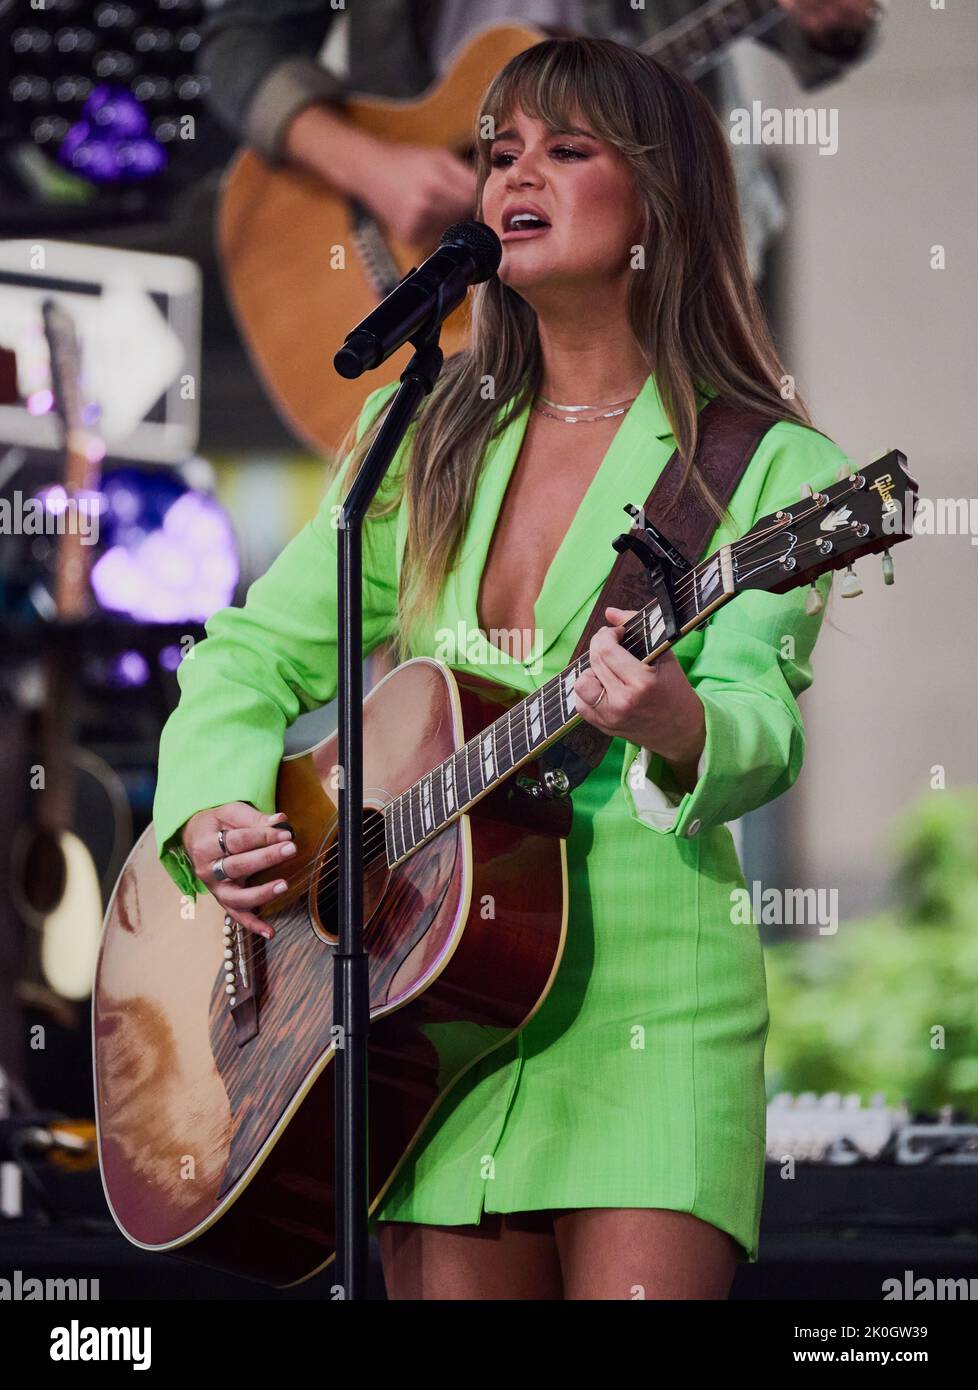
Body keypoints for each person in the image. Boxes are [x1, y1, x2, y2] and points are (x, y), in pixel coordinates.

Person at [154, 36, 854, 1299]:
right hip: (424, 1008)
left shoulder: (774, 468)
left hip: (648, 1004)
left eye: (566, 150)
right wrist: (210, 802)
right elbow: (251, 651)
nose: (513, 174)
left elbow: (761, 721)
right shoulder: (421, 429)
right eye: (498, 152)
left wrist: (685, 723)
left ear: (662, 200)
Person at [198, 0, 881, 282]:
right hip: (424, 260)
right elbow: (240, 42)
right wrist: (373, 169)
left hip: (658, 252)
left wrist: (831, 23)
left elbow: (819, 33)